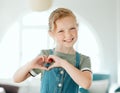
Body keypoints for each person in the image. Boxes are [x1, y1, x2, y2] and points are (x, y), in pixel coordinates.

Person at [13, 8, 92, 93]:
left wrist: (63, 63)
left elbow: (86, 84)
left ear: (77, 28)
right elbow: (16, 79)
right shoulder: (45, 55)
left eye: (72, 28)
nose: (68, 34)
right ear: (51, 34)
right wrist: (29, 65)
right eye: (61, 31)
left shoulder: (83, 59)